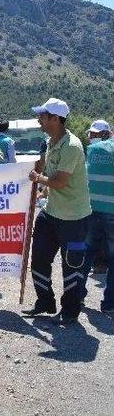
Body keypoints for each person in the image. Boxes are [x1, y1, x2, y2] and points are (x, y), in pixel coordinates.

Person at [22, 98, 91, 324]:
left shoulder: (71, 145)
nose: (39, 119)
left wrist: (38, 179)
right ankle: (45, 302)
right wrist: (42, 190)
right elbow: (50, 176)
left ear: (55, 118)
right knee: (39, 257)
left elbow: (60, 181)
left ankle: (70, 311)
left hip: (73, 216)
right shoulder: (51, 142)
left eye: (42, 115)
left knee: (72, 265)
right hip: (51, 212)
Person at [80, 120, 114, 315]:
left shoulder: (93, 150)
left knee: (86, 254)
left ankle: (78, 295)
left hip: (92, 209)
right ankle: (109, 304)